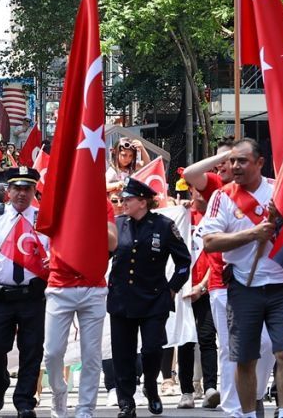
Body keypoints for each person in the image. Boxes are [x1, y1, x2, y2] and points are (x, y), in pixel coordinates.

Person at [198, 139, 283, 418]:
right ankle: (248, 414)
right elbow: (210, 242)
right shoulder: (222, 196)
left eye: (241, 161)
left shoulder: (281, 190)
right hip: (243, 285)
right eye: (231, 161)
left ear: (259, 162)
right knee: (245, 357)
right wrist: (252, 234)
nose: (234, 166)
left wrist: (282, 225)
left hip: (282, 285)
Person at [109, 177, 191, 417]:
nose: (123, 202)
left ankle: (151, 387)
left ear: (143, 202)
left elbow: (183, 263)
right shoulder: (117, 224)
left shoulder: (163, 226)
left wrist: (173, 288)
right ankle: (127, 402)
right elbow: (101, 255)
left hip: (153, 299)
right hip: (122, 299)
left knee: (153, 349)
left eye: (128, 199)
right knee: (122, 354)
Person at [43, 177, 118, 418]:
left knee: (92, 354)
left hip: (93, 286)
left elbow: (112, 242)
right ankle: (58, 392)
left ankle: (85, 408)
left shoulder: (103, 204)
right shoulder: (55, 202)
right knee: (52, 353)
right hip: (60, 285)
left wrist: (91, 213)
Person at [0, 167, 49, 418]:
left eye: (27, 189)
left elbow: (55, 251)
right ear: (7, 191)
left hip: (32, 295)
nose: (21, 194)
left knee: (32, 349)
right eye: (17, 188)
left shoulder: (43, 218)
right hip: (0, 295)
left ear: (34, 191)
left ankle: (24, 401)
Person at [177, 176, 220, 410]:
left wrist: (202, 286)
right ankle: (186, 391)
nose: (200, 194)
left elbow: (217, 258)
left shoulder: (216, 216)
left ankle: (211, 387)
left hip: (207, 287)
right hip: (184, 288)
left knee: (207, 338)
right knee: (184, 339)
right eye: (196, 189)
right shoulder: (182, 215)